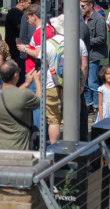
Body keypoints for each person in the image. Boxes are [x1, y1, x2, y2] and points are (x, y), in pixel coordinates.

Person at [43, 14, 89, 143]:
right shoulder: (78, 42)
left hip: (52, 85)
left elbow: (43, 67)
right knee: (70, 118)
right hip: (72, 85)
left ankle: (54, 149)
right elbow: (84, 66)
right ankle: (71, 148)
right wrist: (81, 84)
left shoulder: (48, 43)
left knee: (53, 120)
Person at [0, 61, 40, 151]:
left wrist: (27, 83)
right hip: (20, 149)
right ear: (15, 75)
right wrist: (37, 81)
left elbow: (13, 94)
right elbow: (40, 101)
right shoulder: (24, 95)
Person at [81, 0, 109, 114]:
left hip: (93, 55)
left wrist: (86, 41)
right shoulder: (82, 18)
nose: (81, 9)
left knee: (92, 82)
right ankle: (89, 104)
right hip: (83, 55)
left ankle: (98, 106)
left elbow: (102, 38)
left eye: (83, 6)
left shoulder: (98, 20)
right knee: (85, 81)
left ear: (90, 5)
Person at [5, 0, 29, 83]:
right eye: (29, 3)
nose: (30, 6)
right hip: (15, 50)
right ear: (22, 2)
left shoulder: (19, 13)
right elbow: (22, 28)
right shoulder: (14, 12)